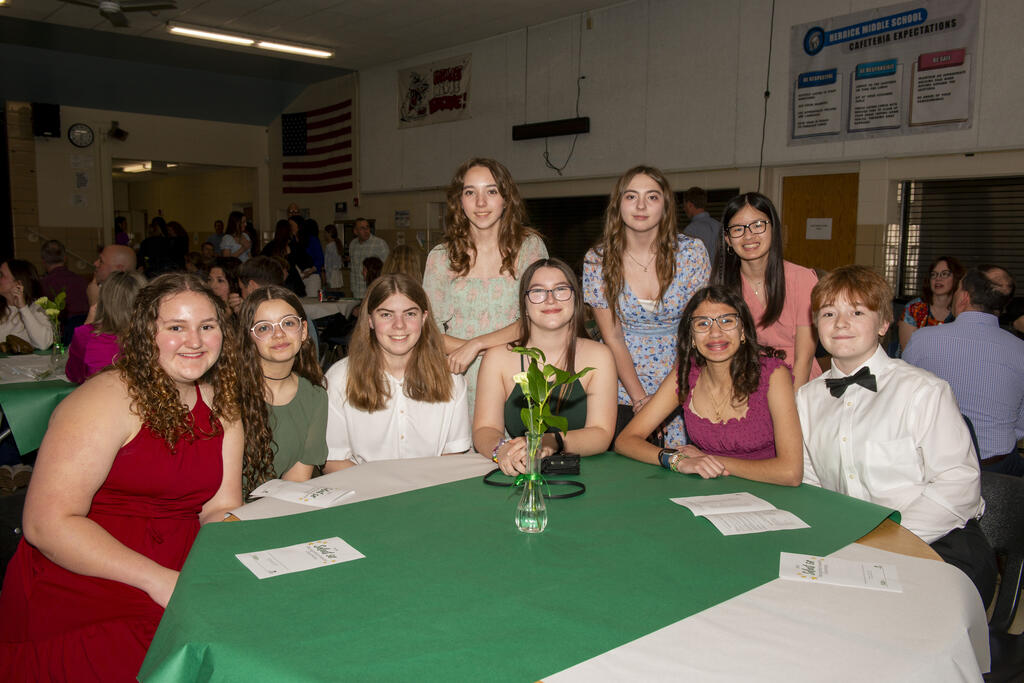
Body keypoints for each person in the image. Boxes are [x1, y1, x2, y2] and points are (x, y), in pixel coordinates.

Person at [0, 272, 244, 680]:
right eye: (176, 327)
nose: (195, 341)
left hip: (181, 564)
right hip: (89, 569)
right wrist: (160, 581)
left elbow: (221, 507)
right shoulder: (105, 399)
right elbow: (46, 524)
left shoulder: (223, 403)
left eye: (207, 326)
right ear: (146, 332)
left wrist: (228, 562)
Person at [796, 265, 995, 604]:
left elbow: (958, 485)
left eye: (857, 312)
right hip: (851, 544)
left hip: (938, 542)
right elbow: (811, 481)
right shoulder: (806, 398)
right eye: (828, 313)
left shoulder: (924, 391)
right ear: (816, 325)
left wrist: (884, 542)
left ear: (883, 324)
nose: (840, 323)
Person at [615, 285, 802, 485]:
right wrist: (678, 461)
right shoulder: (685, 375)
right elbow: (625, 440)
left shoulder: (773, 375)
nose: (715, 333)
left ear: (743, 331)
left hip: (768, 492)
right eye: (703, 324)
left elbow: (790, 473)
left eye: (726, 321)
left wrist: (707, 460)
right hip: (707, 490)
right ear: (692, 337)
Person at [583, 165, 709, 446]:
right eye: (631, 196)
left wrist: (665, 399)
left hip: (682, 375)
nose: (641, 205)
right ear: (618, 205)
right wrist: (640, 399)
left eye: (652, 197)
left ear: (665, 206)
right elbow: (613, 337)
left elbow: (695, 330)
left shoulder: (692, 253)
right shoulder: (598, 260)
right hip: (622, 380)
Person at [424, 158, 549, 416]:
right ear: (460, 201)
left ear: (506, 199)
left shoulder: (530, 248)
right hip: (458, 376)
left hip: (515, 374)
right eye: (470, 192)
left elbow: (537, 319)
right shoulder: (440, 257)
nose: (481, 203)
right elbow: (428, 331)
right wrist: (471, 349)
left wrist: (477, 345)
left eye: (491, 191)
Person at [474, 259, 616, 474]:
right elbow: (485, 428)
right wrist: (501, 450)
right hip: (521, 472)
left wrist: (551, 441)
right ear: (525, 305)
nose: (550, 299)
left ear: (576, 299)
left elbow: (601, 433)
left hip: (584, 474)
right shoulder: (497, 359)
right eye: (538, 291)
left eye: (561, 289)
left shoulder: (599, 356)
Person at [323, 274, 471, 471]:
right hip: (363, 487)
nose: (399, 325)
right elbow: (333, 460)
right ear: (370, 320)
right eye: (386, 315)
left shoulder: (451, 378)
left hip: (432, 484)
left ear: (424, 318)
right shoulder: (339, 379)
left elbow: (453, 453)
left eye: (410, 314)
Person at [904, 265, 1024, 474]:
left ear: (964, 297)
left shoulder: (922, 339)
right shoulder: (1020, 349)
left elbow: (903, 400)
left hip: (934, 464)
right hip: (995, 465)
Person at [713, 192, 820, 388]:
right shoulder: (721, 286)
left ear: (773, 228)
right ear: (727, 239)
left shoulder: (802, 279)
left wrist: (791, 401)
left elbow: (804, 357)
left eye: (758, 225)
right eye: (738, 229)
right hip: (746, 382)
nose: (748, 236)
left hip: (798, 381)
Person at [236, 286, 327, 492]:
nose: (279, 334)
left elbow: (295, 481)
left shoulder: (314, 396)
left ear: (303, 330)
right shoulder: (229, 394)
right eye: (264, 328)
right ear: (249, 338)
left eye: (288, 323)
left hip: (276, 503)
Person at [65, 270, 146, 384]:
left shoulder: (86, 334)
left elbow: (74, 376)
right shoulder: (152, 334)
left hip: (100, 393)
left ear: (103, 300)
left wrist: (88, 322)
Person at [898, 255, 965, 352]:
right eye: (934, 275)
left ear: (956, 278)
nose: (938, 278)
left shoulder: (963, 310)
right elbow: (908, 350)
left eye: (944, 274)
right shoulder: (914, 308)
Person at [40, 239, 89, 344]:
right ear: (65, 258)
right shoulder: (81, 281)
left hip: (61, 337)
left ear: (43, 261)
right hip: (86, 333)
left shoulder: (44, 284)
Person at [0, 259, 54, 349]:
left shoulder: (37, 307)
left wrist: (23, 308)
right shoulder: (2, 307)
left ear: (18, 283)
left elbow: (43, 343)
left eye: (1, 275)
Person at [349, 217, 390, 299]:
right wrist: (353, 289)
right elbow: (353, 268)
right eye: (362, 228)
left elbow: (387, 268)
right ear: (355, 231)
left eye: (367, 227)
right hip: (356, 292)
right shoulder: (352, 244)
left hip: (373, 292)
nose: (366, 231)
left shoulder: (379, 244)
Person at [88, 244, 137, 309]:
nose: (95, 263)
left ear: (119, 269)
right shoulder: (100, 288)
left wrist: (94, 302)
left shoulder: (129, 299)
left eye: (101, 261)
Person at [682, 186, 721, 264]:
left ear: (689, 205)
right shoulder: (719, 226)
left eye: (684, 205)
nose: (684, 209)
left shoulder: (691, 230)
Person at [323, 224, 344, 289]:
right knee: (336, 293)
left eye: (325, 233)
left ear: (329, 233)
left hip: (332, 275)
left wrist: (326, 278)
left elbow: (328, 264)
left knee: (332, 293)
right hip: (337, 274)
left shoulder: (329, 246)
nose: (324, 235)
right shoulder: (336, 244)